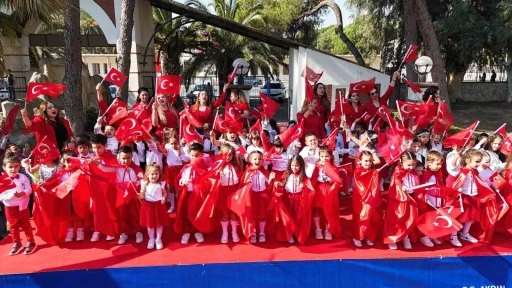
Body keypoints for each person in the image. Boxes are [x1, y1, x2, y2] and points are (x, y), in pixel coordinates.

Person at [271, 155, 315, 244]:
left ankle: (297, 233)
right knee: (288, 217)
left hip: (299, 199)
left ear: (301, 166)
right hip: (288, 198)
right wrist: (276, 183)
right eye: (292, 165)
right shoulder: (287, 174)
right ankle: (289, 233)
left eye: (297, 165)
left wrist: (304, 187)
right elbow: (282, 184)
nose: (294, 168)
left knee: (298, 217)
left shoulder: (303, 176)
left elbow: (310, 189)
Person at [230, 150, 272, 244]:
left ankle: (261, 233)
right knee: (251, 216)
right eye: (255, 159)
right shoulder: (247, 172)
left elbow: (269, 187)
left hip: (262, 196)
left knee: (262, 215)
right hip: (251, 197)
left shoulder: (264, 172)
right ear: (250, 160)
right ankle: (252, 232)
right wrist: (247, 182)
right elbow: (243, 186)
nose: (258, 160)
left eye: (260, 159)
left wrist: (271, 180)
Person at [383, 152, 419, 250]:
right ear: (401, 163)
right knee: (396, 219)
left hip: (410, 198)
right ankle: (392, 238)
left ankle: (405, 237)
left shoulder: (414, 173)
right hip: (398, 200)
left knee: (408, 219)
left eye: (413, 165)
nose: (411, 167)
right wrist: (401, 187)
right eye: (409, 165)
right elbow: (396, 184)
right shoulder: (398, 172)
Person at [1, 152, 35, 255]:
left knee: (26, 224)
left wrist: (23, 193)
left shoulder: (22, 177)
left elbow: (29, 189)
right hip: (10, 207)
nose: (13, 169)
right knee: (13, 226)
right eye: (10, 167)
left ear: (19, 166)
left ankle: (31, 241)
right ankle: (17, 242)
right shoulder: (2, 180)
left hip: (22, 206)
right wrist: (11, 195)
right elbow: (1, 196)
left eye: (16, 166)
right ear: (4, 167)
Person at [310, 146, 342, 240]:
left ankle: (328, 229)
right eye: (322, 156)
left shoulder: (334, 167)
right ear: (319, 156)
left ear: (331, 157)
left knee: (329, 210)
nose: (324, 158)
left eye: (327, 156)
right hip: (319, 188)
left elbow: (336, 180)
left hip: (329, 189)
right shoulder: (317, 166)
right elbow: (312, 177)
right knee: (317, 209)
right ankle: (318, 229)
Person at [352, 150, 381, 248]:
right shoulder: (358, 171)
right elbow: (363, 180)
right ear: (360, 161)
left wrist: (373, 152)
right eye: (366, 161)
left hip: (371, 198)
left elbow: (377, 161)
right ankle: (357, 236)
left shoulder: (372, 171)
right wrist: (374, 173)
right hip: (361, 198)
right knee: (361, 216)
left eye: (370, 161)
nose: (368, 163)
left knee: (371, 217)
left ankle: (368, 235)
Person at [139, 163, 169, 250]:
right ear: (147, 175)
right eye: (152, 174)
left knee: (159, 224)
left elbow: (165, 193)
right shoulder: (145, 184)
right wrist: (140, 195)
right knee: (150, 224)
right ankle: (151, 239)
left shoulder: (161, 184)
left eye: (156, 174)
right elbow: (142, 194)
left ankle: (158, 239)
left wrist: (163, 198)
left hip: (159, 206)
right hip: (148, 206)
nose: (154, 176)